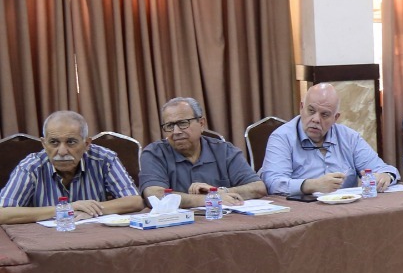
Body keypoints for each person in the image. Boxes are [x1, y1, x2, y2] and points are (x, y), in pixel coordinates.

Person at [0, 110, 143, 224]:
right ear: (44, 144)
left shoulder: (104, 159)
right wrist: (65, 209)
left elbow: (135, 201)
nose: (62, 152)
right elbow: (3, 213)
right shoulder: (31, 166)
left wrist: (90, 210)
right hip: (47, 240)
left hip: (95, 236)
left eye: (71, 142)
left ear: (86, 144)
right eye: (54, 142)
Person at [261, 83, 399, 195]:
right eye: (311, 111)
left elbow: (384, 169)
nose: (316, 119)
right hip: (301, 211)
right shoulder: (282, 138)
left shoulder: (349, 137)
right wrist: (313, 185)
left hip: (346, 209)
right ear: (301, 108)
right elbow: (273, 183)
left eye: (324, 114)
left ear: (335, 118)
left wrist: (385, 176)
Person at [139, 96, 266, 207]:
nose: (176, 131)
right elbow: (154, 196)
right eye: (169, 126)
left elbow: (258, 187)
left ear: (201, 123)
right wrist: (209, 199)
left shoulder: (224, 151)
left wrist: (220, 192)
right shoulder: (155, 153)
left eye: (183, 123)